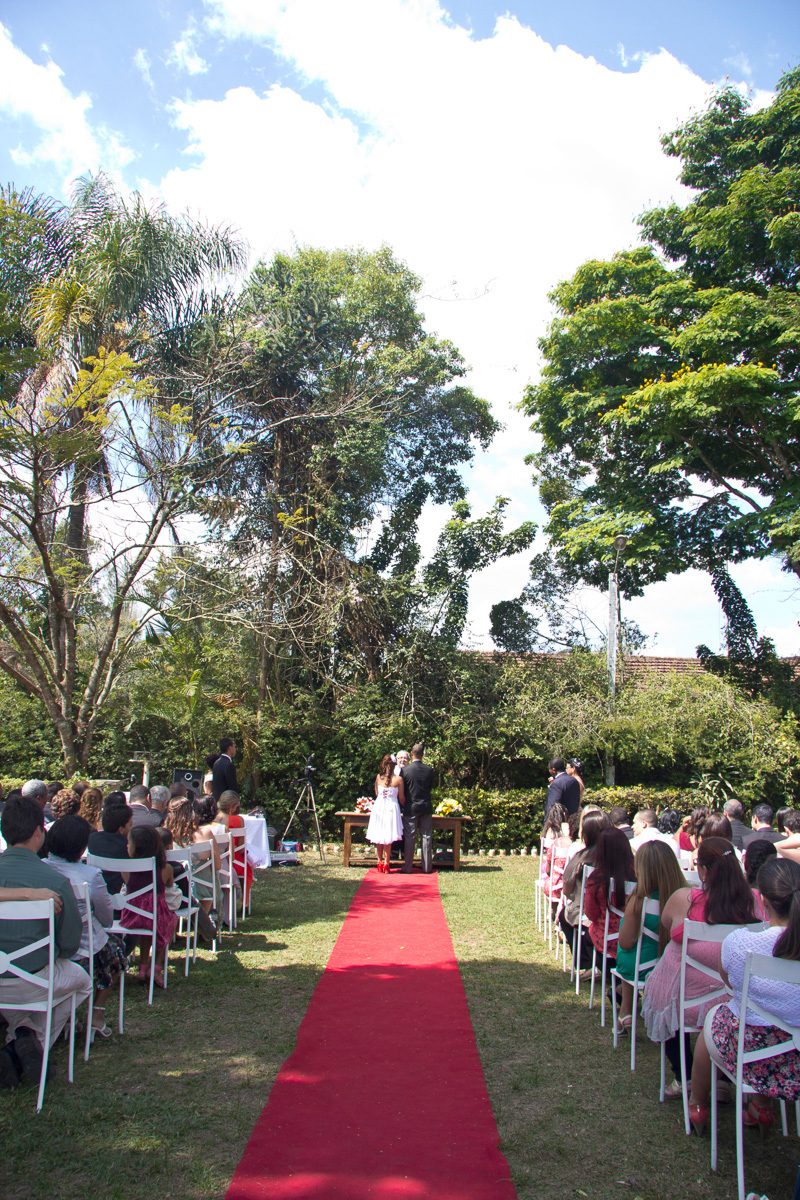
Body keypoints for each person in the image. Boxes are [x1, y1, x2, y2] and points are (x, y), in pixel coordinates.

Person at [687, 857, 800, 1135]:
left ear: (763, 900)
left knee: (715, 1019)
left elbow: (730, 984)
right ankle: (760, 1107)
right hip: (795, 1060)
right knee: (765, 1024)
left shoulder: (740, 942)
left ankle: (697, 1104)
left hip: (748, 1053)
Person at [642, 837, 758, 1097]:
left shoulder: (683, 899)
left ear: (703, 870)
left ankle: (684, 1075)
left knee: (663, 989)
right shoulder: (755, 902)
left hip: (686, 1003)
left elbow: (666, 923)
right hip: (738, 1001)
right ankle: (720, 1079)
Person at [0, 798, 92, 1084]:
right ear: (39, 832)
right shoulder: (55, 882)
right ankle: (27, 1043)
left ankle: (19, 1033)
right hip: (34, 980)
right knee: (83, 981)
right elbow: (70, 946)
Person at [46, 815, 127, 1042]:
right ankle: (96, 1013)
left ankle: (68, 1015)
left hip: (48, 946)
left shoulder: (39, 869)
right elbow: (107, 919)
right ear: (82, 847)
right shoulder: (90, 875)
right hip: (83, 950)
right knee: (116, 952)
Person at [614, 841, 687, 1044]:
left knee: (629, 952)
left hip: (644, 968)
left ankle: (626, 1012)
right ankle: (626, 1010)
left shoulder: (638, 902)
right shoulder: (687, 897)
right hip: (674, 966)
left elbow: (626, 943)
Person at [120, 825, 177, 989]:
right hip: (155, 916)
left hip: (132, 917)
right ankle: (156, 966)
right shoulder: (166, 869)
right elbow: (170, 885)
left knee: (147, 923)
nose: (127, 846)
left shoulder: (125, 869)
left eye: (129, 843)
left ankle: (143, 965)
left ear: (137, 848)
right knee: (170, 919)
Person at [559, 812, 612, 975]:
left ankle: (587, 963)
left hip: (588, 912)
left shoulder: (581, 857)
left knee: (565, 916)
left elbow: (567, 890)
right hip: (618, 913)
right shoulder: (623, 855)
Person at [583, 827, 636, 971]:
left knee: (588, 934)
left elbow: (591, 914)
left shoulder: (597, 878)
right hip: (637, 937)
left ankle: (599, 970)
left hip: (608, 939)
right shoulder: (640, 873)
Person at [213, 791, 253, 906]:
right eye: (236, 806)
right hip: (233, 859)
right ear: (231, 807)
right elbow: (241, 848)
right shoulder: (238, 820)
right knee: (246, 868)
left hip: (215, 858)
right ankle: (244, 900)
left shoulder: (212, 819)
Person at [366, 754, 405, 874]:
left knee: (379, 834)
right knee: (388, 835)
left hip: (379, 807)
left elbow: (377, 793)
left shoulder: (379, 777)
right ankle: (386, 863)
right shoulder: (398, 779)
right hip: (391, 808)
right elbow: (401, 798)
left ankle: (379, 861)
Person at [401, 744, 435, 874]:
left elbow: (403, 791)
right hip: (426, 807)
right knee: (426, 837)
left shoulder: (405, 770)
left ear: (411, 754)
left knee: (410, 837)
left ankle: (408, 867)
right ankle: (427, 867)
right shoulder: (429, 770)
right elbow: (430, 787)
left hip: (411, 807)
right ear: (423, 754)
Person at [88, 804, 133, 895]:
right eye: (130, 824)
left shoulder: (93, 839)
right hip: (121, 896)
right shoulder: (128, 845)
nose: (132, 828)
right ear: (121, 829)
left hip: (94, 892)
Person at [211, 737, 238, 803]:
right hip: (226, 802)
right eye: (234, 747)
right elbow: (232, 786)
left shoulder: (216, 763)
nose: (235, 749)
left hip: (217, 799)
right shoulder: (228, 764)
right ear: (230, 748)